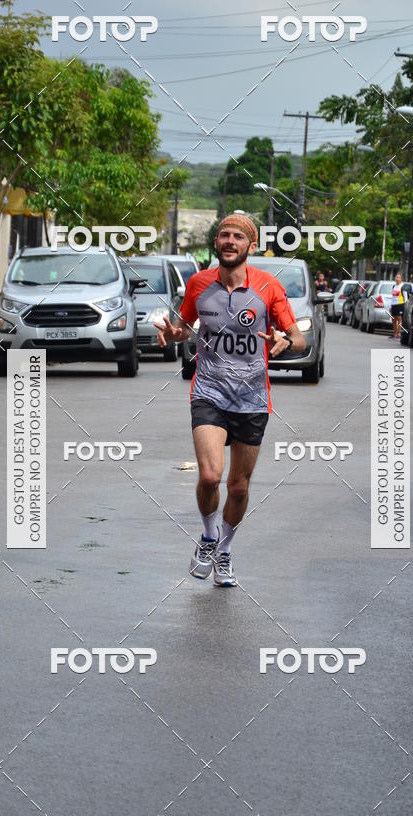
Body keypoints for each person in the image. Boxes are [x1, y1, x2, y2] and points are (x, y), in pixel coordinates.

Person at [154, 213, 306, 587]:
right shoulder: (198, 284)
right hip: (209, 392)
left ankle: (224, 550)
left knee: (238, 487)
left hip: (253, 399)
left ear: (249, 246)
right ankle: (208, 536)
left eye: (238, 236)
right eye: (224, 234)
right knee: (209, 475)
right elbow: (184, 327)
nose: (229, 240)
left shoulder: (269, 287)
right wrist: (173, 334)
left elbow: (299, 338)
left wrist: (286, 341)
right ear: (217, 243)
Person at [390, 272, 405, 340]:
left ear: (401, 279)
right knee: (393, 320)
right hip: (394, 305)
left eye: (398, 278)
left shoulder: (403, 286)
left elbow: (405, 297)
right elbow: (393, 297)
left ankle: (398, 333)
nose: (397, 279)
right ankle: (395, 334)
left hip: (400, 304)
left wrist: (405, 305)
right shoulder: (394, 286)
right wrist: (391, 306)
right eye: (396, 277)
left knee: (399, 319)